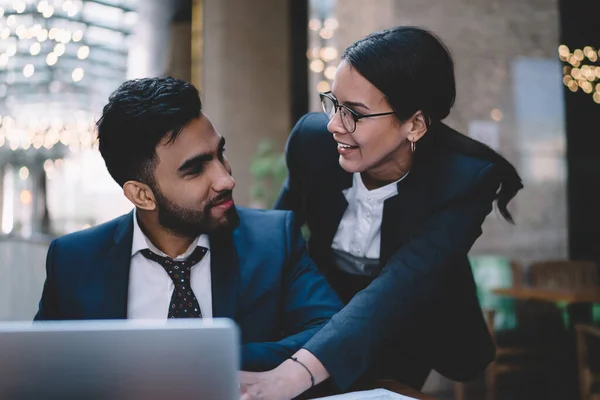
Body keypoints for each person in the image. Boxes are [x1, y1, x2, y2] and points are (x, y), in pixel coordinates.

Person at [240, 26, 523, 399]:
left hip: (408, 320)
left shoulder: (463, 180)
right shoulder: (312, 142)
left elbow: (400, 287)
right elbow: (279, 241)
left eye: (354, 113)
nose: (334, 125)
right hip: (323, 312)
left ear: (414, 124)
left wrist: (290, 376)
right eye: (333, 103)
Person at [34, 76, 344, 375]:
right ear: (141, 195)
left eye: (220, 153)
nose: (226, 179)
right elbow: (40, 367)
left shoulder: (274, 240)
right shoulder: (75, 261)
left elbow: (331, 332)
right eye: (195, 170)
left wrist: (207, 359)